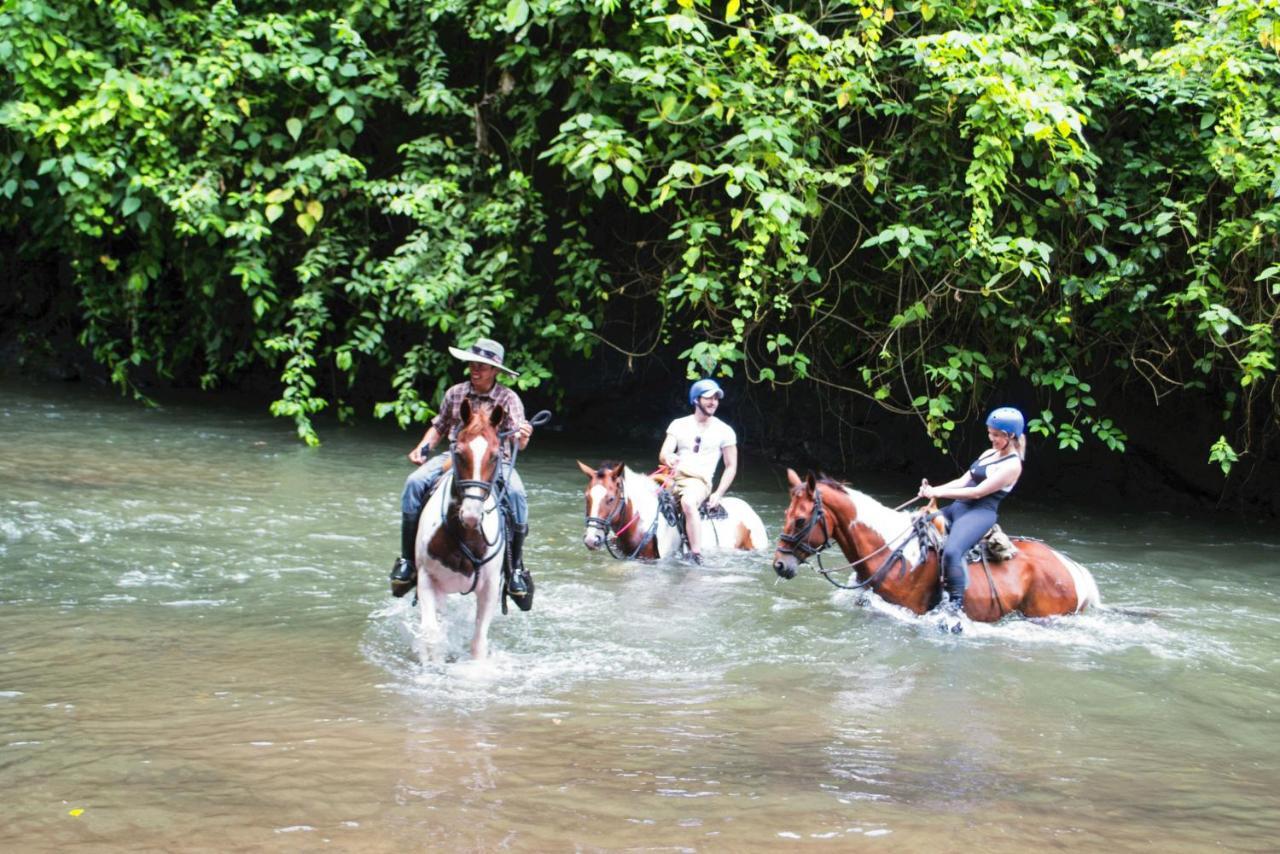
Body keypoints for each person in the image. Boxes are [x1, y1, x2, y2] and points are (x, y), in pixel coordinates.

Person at [390, 338, 535, 609]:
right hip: (456, 458)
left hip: (495, 461)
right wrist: (423, 447)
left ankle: (515, 570)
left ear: (495, 371)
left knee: (516, 494)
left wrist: (524, 436)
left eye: (481, 366)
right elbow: (440, 425)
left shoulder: (508, 398)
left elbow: (519, 442)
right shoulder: (456, 393)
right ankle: (408, 561)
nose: (475, 370)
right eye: (472, 364)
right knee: (414, 483)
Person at [918, 406, 1026, 615]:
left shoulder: (1013, 466)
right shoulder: (988, 453)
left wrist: (937, 492)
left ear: (1010, 435)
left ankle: (955, 607)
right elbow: (963, 480)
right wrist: (933, 491)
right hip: (959, 507)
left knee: (952, 552)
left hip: (980, 513)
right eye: (989, 433)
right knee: (918, 524)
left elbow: (977, 492)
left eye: (996, 435)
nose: (991, 438)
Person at [657, 379, 739, 564]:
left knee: (687, 503)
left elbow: (731, 466)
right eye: (709, 398)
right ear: (696, 400)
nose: (714, 402)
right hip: (672, 475)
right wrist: (668, 458)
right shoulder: (678, 424)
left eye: (716, 398)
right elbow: (664, 453)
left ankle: (695, 553)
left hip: (699, 482)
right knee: (642, 491)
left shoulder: (725, 431)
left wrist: (718, 493)